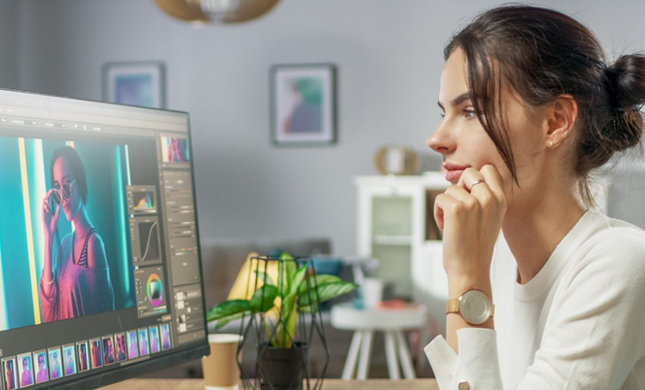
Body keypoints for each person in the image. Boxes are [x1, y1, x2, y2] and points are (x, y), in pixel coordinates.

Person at [425, 4, 645, 389]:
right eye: (444, 112)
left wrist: (467, 281)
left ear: (555, 122)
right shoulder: (495, 260)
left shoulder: (618, 263)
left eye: (471, 111)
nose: (437, 139)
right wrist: (472, 274)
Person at [39, 146, 115, 323]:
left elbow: (103, 321)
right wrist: (48, 238)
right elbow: (49, 307)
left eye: (67, 184)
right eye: (57, 187)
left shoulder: (93, 243)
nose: (63, 196)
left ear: (80, 181)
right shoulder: (65, 244)